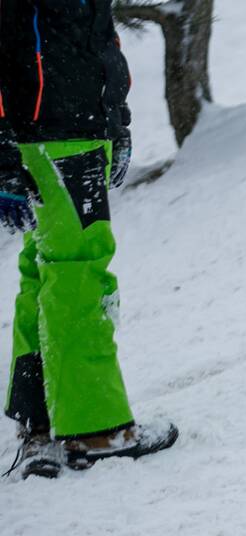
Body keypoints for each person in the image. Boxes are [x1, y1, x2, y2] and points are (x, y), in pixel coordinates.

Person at [0, 1, 177, 479]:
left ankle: (42, 416)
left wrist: (116, 124)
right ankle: (97, 429)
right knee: (79, 273)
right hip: (54, 133)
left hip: (74, 126)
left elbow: (97, 39)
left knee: (46, 267)